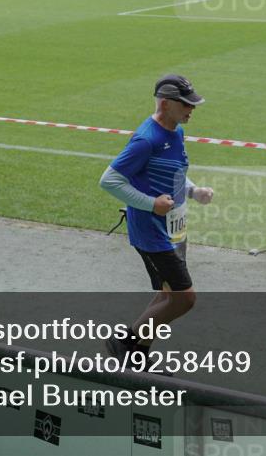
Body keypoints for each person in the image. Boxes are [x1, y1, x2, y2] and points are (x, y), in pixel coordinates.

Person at [99, 74, 214, 359]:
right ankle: (124, 344)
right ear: (165, 104)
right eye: (186, 104)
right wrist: (151, 204)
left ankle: (137, 355)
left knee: (167, 296)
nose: (192, 109)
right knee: (184, 298)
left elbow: (172, 173)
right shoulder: (146, 140)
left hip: (173, 227)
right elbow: (109, 180)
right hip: (152, 232)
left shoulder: (175, 131)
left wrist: (193, 190)